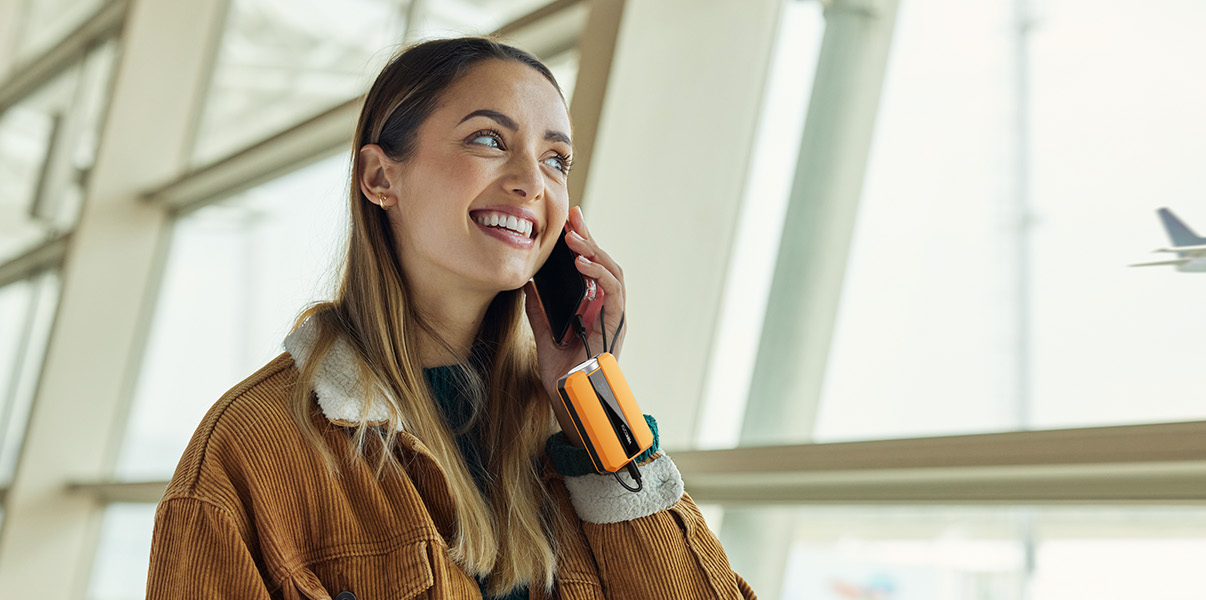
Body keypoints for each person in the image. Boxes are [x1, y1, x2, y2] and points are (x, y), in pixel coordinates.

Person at [144, 36, 757, 600]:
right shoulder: (251, 448)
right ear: (380, 177)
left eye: (556, 160)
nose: (530, 182)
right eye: (489, 140)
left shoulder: (563, 433)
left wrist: (594, 397)